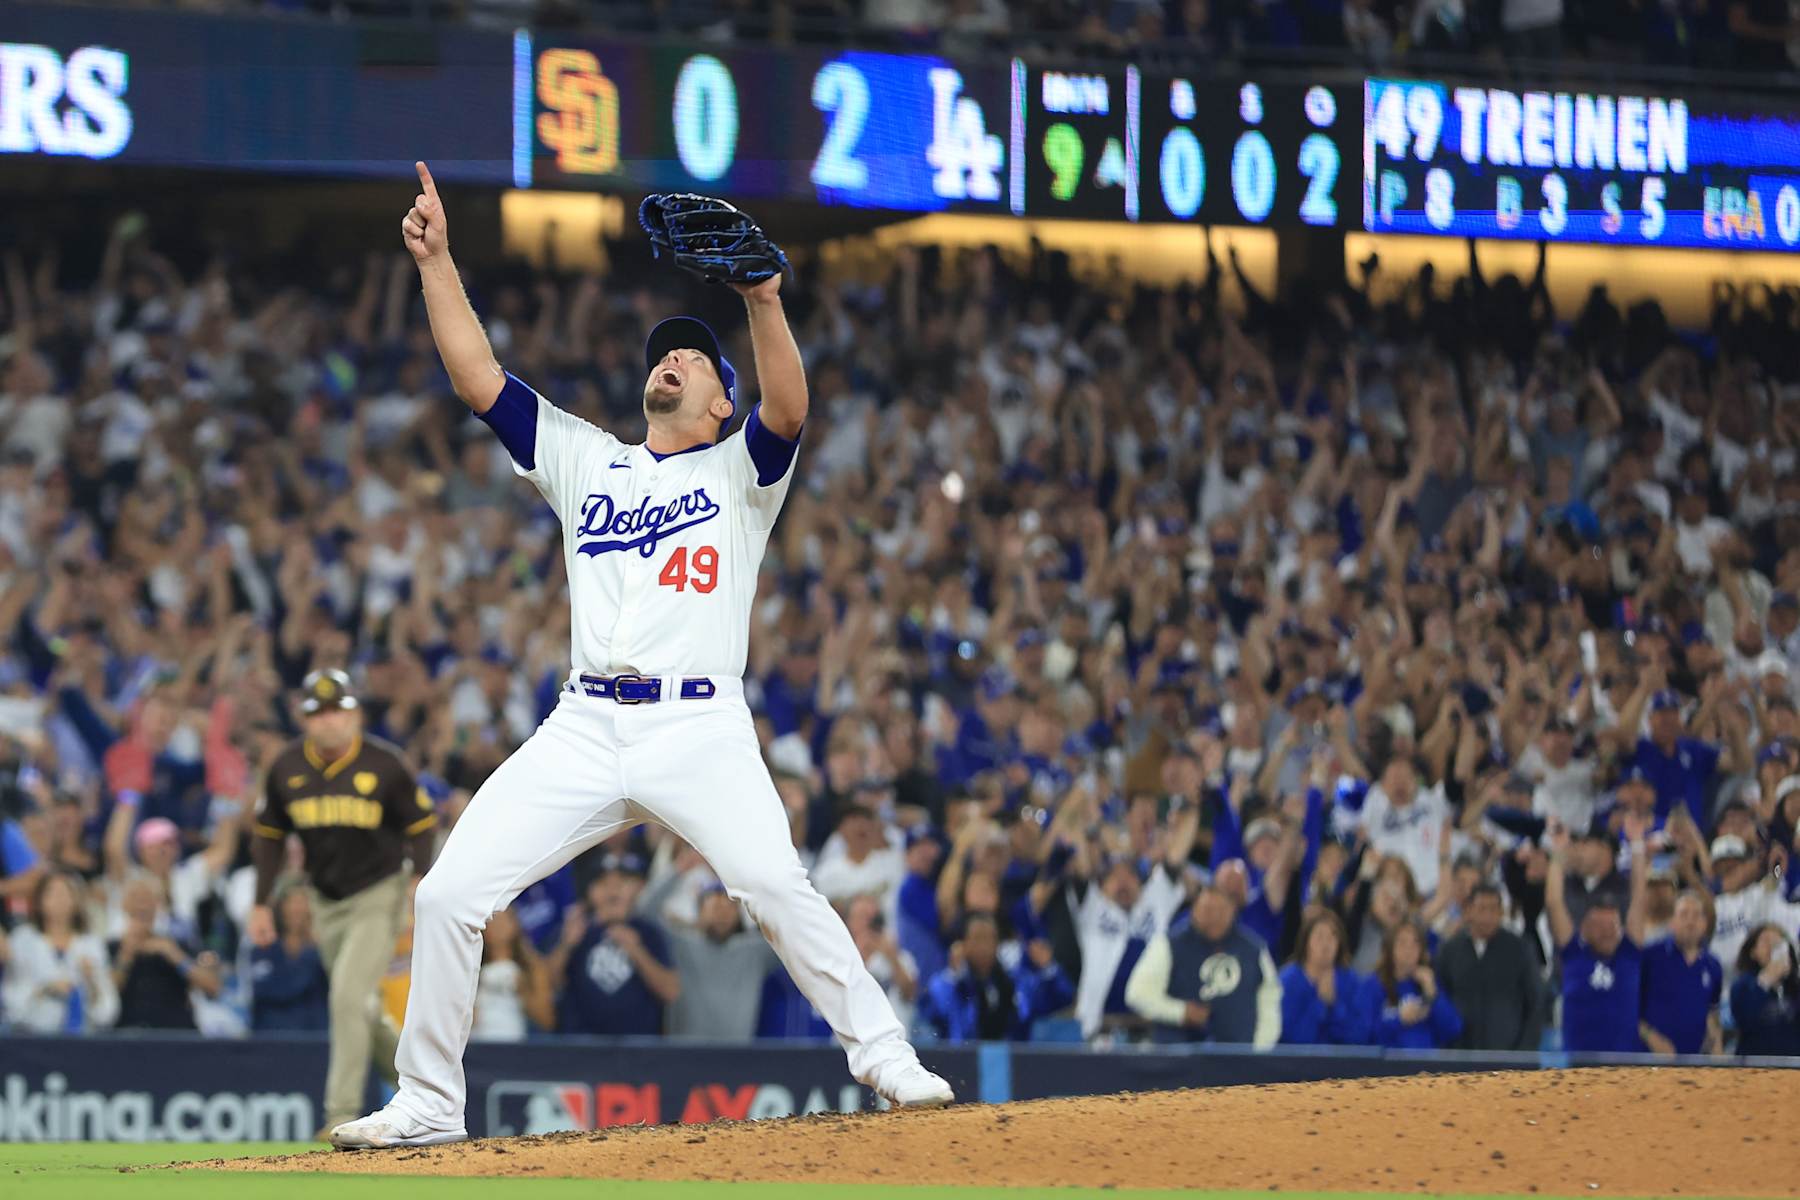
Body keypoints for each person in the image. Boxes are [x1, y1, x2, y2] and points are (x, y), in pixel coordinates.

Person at [335, 162, 950, 1150]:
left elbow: (790, 408)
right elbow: (477, 379)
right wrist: (439, 263)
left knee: (774, 884)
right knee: (449, 892)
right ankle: (430, 1104)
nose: (670, 362)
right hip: (585, 723)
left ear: (719, 401)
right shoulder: (589, 459)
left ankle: (885, 1056)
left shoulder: (738, 468)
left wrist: (760, 299)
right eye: (665, 355)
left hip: (697, 725)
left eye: (692, 361)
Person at [249, 669, 437, 1135]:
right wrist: (259, 902)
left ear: (354, 714)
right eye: (318, 713)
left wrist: (419, 879)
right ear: (305, 719)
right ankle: (425, 1089)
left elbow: (421, 825)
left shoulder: (384, 764)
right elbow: (270, 837)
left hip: (379, 892)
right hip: (324, 898)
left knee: (347, 996)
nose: (329, 722)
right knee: (360, 1007)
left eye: (337, 711)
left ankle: (340, 1113)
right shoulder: (287, 767)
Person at [1124, 881, 1281, 1046]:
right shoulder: (1167, 944)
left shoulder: (1254, 950)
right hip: (1180, 1060)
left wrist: (1260, 1050)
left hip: (1239, 1059)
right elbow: (1137, 994)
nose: (1212, 918)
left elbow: (1270, 999)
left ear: (1232, 911)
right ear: (1193, 911)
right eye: (1207, 910)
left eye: (1219, 911)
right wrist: (1180, 1012)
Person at [634, 866, 778, 1040]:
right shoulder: (680, 944)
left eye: (730, 908)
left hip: (737, 1059)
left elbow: (788, 930)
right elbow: (643, 912)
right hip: (685, 1056)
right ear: (699, 912)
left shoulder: (754, 951)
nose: (722, 914)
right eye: (716, 906)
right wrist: (680, 867)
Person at [1546, 816, 1651, 1054]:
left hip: (1625, 1070)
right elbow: (1554, 902)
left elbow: (1639, 899)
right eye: (1600, 926)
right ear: (1583, 929)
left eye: (1612, 925)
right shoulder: (1574, 954)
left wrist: (1636, 845)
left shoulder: (1628, 955)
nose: (1608, 932)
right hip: (1578, 1072)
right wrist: (1559, 852)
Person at [550, 854, 679, 1036]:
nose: (613, 891)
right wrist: (566, 945)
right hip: (581, 1048)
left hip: (640, 1049)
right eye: (603, 883)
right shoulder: (573, 930)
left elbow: (671, 992)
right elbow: (547, 986)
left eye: (622, 883)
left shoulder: (650, 933)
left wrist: (637, 951)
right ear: (590, 891)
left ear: (637, 889)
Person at [917, 911, 1072, 1042]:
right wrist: (954, 977)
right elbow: (929, 1012)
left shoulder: (1016, 983)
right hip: (962, 1064)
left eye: (989, 938)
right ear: (964, 944)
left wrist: (1049, 968)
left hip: (1014, 1065)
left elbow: (1062, 997)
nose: (984, 946)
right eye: (977, 938)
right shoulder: (951, 983)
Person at [0, 871, 119, 1032]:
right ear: (40, 901)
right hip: (31, 1036)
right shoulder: (23, 939)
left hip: (80, 1038)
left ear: (76, 901)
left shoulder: (91, 943)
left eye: (65, 893)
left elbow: (107, 1011)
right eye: (52, 893)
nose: (59, 900)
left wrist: (91, 982)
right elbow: (11, 995)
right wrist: (46, 988)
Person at [1434, 883, 1542, 1051]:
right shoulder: (1449, 950)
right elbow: (1441, 999)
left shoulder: (1520, 949)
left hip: (1509, 1057)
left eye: (1493, 910)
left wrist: (1524, 1053)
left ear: (1501, 913)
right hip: (1459, 1056)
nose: (1487, 916)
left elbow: (1535, 1003)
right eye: (1481, 909)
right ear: (1468, 911)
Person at [1637, 889, 1722, 1056]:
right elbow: (1629, 1007)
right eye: (1684, 914)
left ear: (1705, 924)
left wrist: (1717, 1048)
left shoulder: (1712, 965)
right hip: (1649, 1062)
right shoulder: (1649, 956)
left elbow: (1711, 1011)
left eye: (1697, 915)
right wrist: (1653, 1038)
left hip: (1694, 1064)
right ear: (1672, 922)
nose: (1690, 921)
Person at [1278, 907, 1376, 1045]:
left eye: (1332, 937)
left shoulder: (1351, 981)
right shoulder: (1288, 981)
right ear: (1307, 942)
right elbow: (1292, 1038)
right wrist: (1320, 1004)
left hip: (1341, 1063)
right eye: (1319, 936)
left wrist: (1335, 1006)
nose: (1326, 944)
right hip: (1296, 1064)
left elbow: (1359, 1037)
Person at [1368, 919, 1463, 1049]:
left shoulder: (1429, 983)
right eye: (1402, 943)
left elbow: (1452, 1029)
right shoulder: (1373, 985)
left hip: (1427, 1065)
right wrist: (1399, 1019)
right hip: (1387, 1066)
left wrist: (1431, 992)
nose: (1409, 950)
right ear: (1389, 949)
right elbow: (1363, 1036)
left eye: (1415, 944)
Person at [249, 885, 329, 1032]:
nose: (297, 909)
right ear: (280, 908)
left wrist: (315, 946)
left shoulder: (325, 950)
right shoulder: (263, 949)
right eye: (291, 902)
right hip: (269, 1039)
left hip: (315, 1040)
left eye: (302, 902)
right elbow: (270, 988)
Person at [472, 907, 553, 1041]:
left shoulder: (532, 967)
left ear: (515, 925)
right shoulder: (471, 966)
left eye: (504, 920)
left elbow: (547, 1020)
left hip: (516, 1048)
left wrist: (522, 990)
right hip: (476, 1046)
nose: (499, 926)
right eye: (494, 921)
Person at [1729, 924, 1800, 1056]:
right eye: (1766, 940)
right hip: (1754, 1067)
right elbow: (1744, 1019)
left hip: (1793, 1067)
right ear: (1753, 952)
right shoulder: (1743, 984)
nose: (1772, 946)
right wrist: (1765, 981)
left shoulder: (1794, 986)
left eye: (1778, 942)